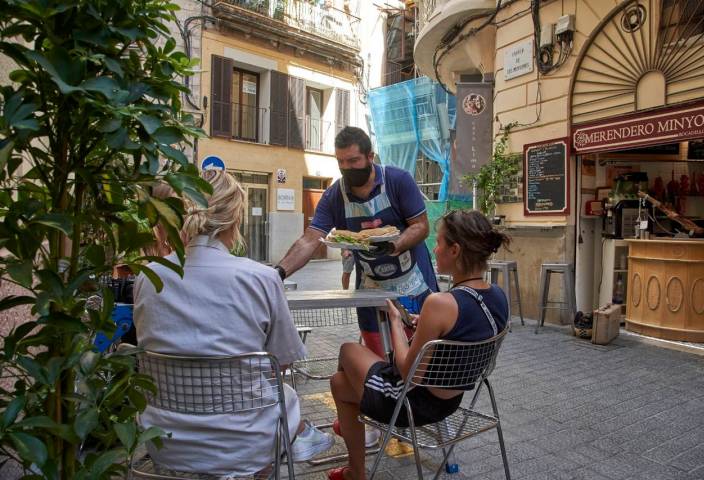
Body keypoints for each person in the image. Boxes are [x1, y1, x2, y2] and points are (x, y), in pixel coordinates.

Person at [134, 170, 333, 477]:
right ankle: (293, 440)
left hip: (165, 439)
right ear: (234, 219)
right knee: (281, 396)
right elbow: (281, 363)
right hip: (247, 440)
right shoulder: (261, 278)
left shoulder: (147, 278)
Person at [326, 210, 510, 480]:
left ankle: (358, 459)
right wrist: (423, 323)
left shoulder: (439, 303)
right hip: (452, 401)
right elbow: (462, 331)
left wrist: (395, 323)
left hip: (409, 404)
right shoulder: (498, 296)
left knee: (347, 350)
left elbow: (405, 371)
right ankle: (355, 467)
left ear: (455, 250)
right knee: (339, 383)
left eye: (440, 242)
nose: (434, 249)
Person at [275, 126, 439, 356]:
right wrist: (279, 272)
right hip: (370, 286)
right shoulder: (334, 196)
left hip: (413, 283)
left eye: (353, 161)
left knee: (419, 358)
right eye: (340, 162)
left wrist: (394, 244)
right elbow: (310, 240)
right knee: (377, 359)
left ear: (370, 157)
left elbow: (421, 226)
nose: (346, 168)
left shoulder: (398, 181)